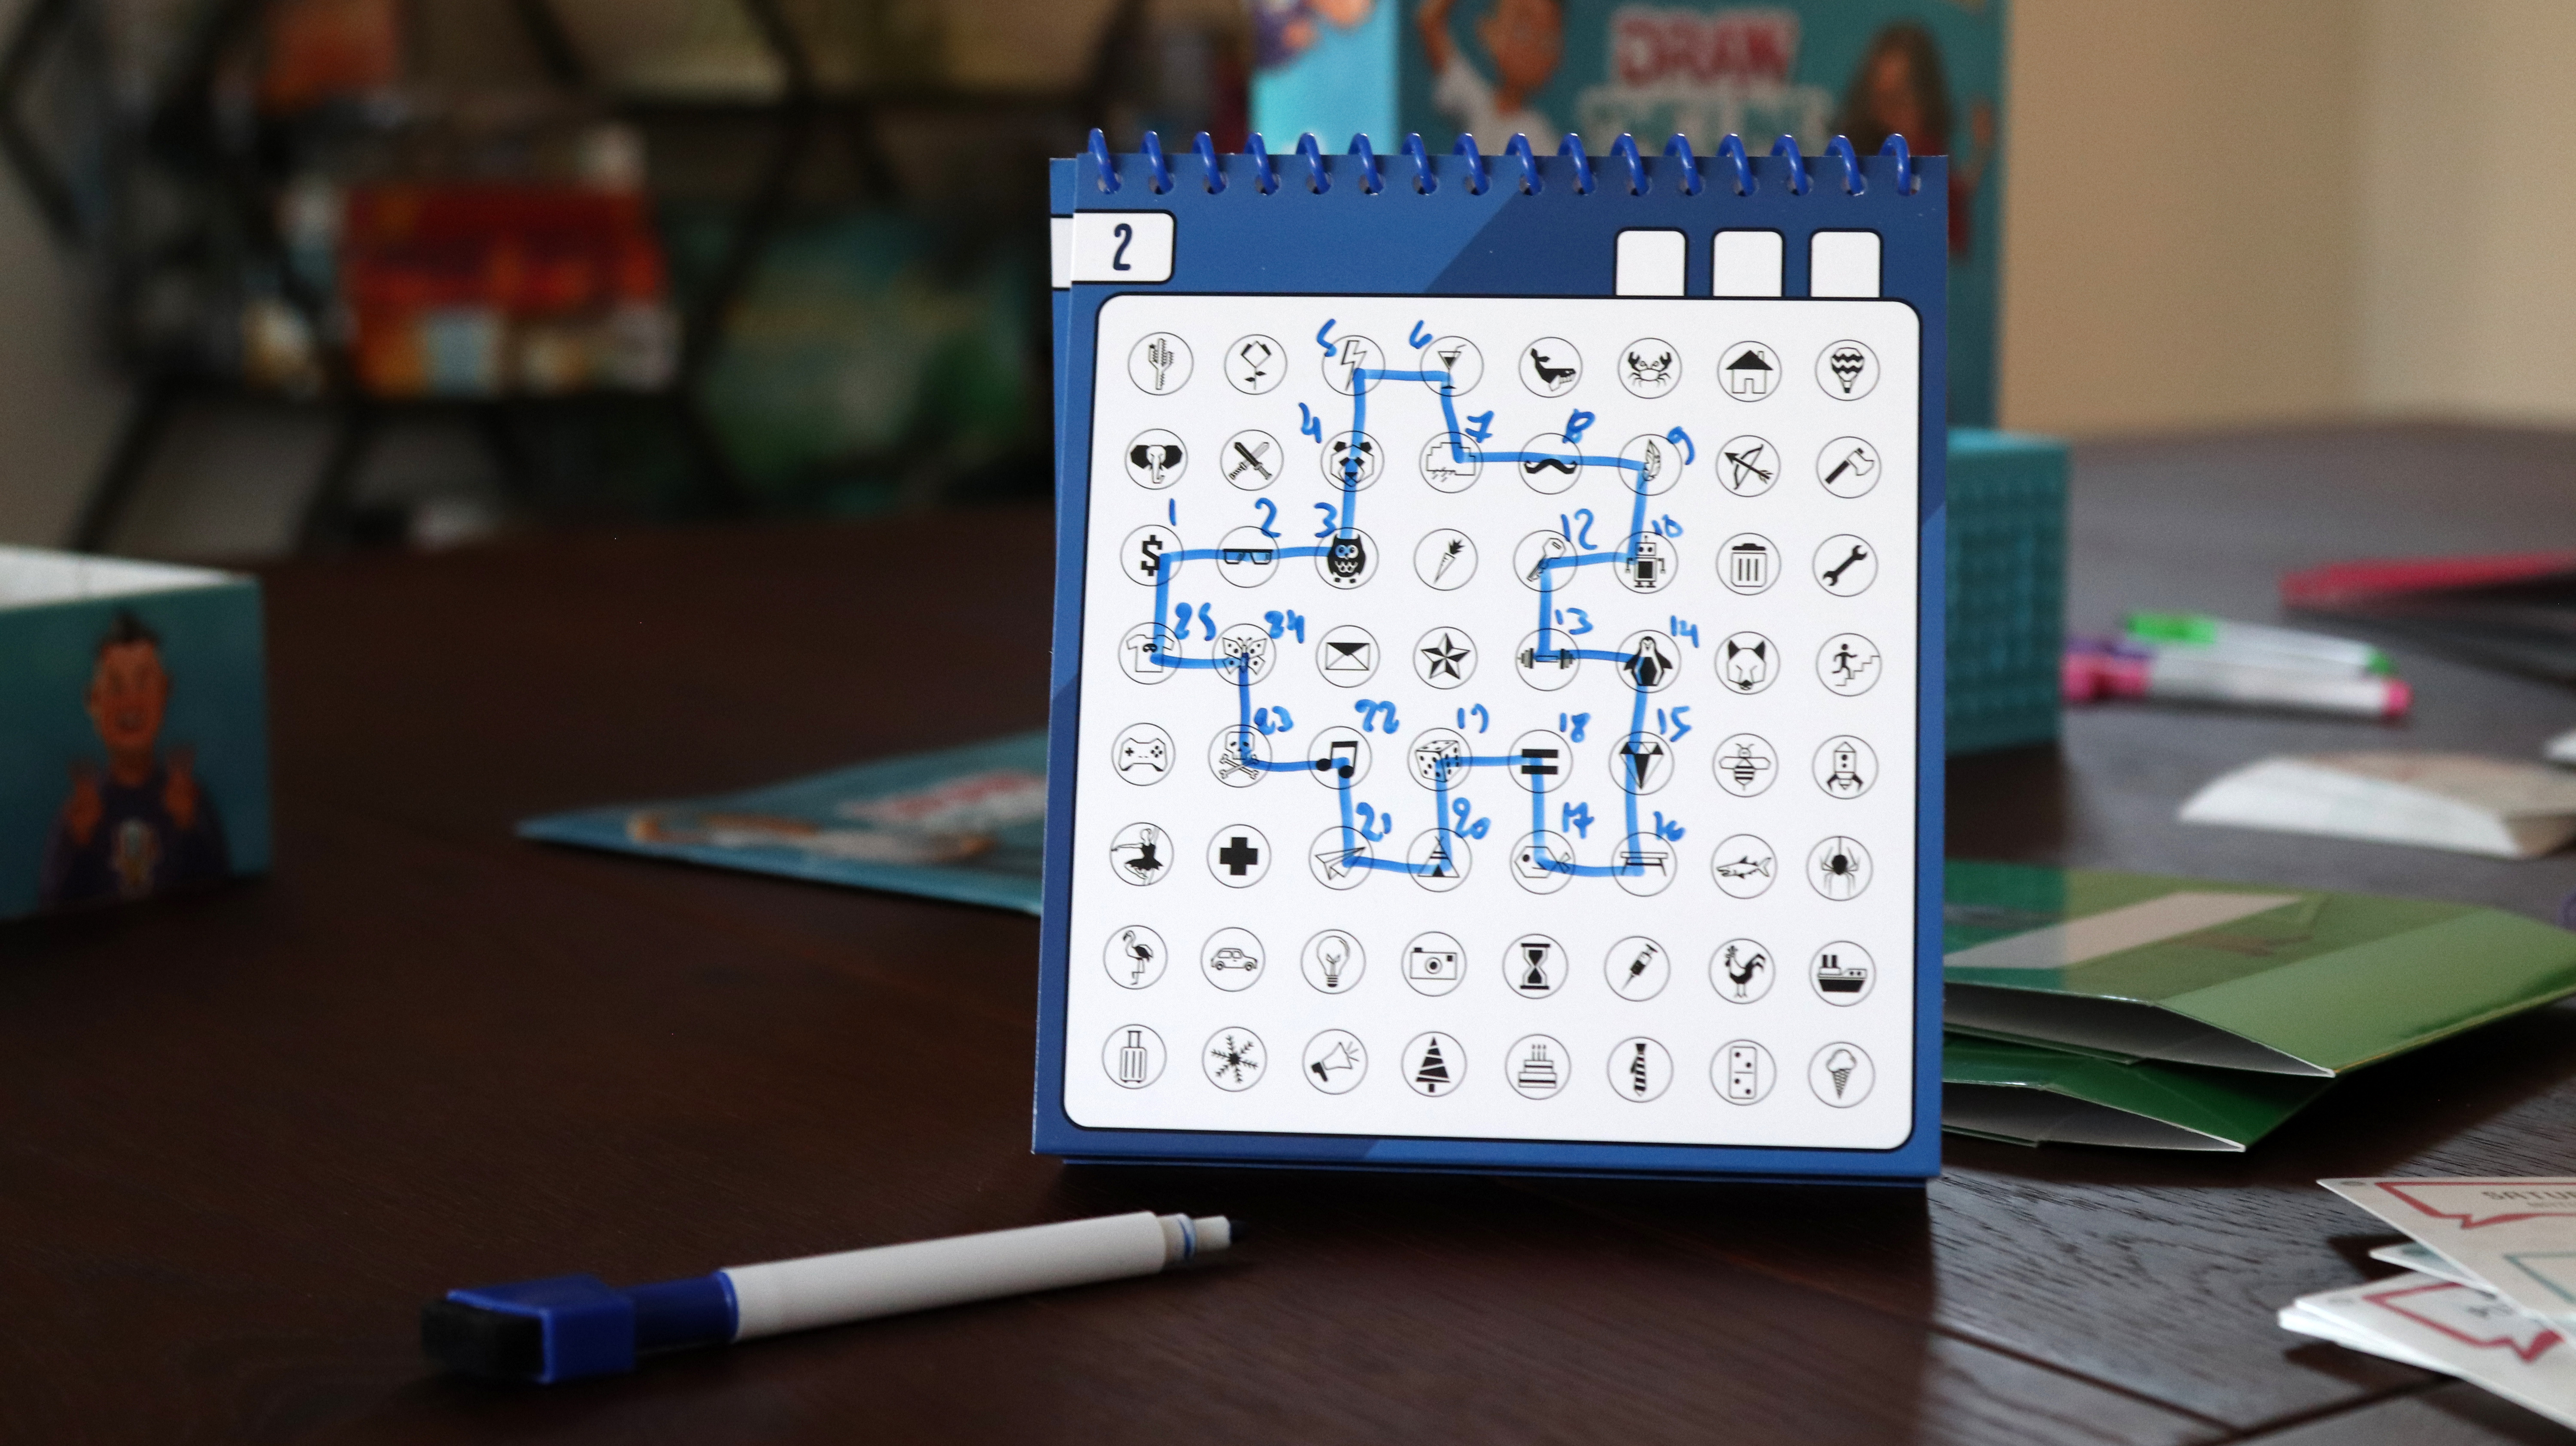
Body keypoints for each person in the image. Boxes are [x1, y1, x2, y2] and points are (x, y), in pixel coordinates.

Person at [39, 611, 230, 908]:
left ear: (165, 692)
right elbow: (51, 905)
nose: (131, 702)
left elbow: (223, 897)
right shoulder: (78, 812)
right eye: (116, 687)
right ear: (93, 700)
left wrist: (189, 828)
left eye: (143, 684)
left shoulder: (192, 801)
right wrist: (80, 842)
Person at [1836, 21, 1992, 257]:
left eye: (1901, 97)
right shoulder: (1854, 155)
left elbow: (1951, 216)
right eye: (1883, 98)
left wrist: (1981, 151)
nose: (1892, 112)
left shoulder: (1929, 153)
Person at [1418, 0, 1561, 155]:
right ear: (1488, 30)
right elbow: (1429, 21)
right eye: (1522, 30)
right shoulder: (1480, 104)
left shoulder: (1539, 138)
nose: (1531, 49)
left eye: (1548, 41)